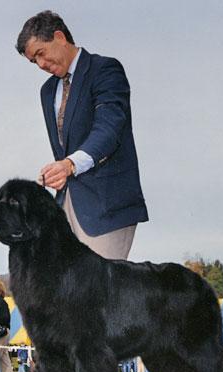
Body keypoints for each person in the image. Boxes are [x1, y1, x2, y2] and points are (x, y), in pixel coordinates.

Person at [16, 10, 148, 260]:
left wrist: (69, 165)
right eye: (34, 62)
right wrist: (58, 172)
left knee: (100, 295)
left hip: (107, 205)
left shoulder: (105, 70)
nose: (41, 65)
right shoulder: (47, 91)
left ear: (59, 36)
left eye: (41, 54)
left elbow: (109, 129)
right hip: (65, 206)